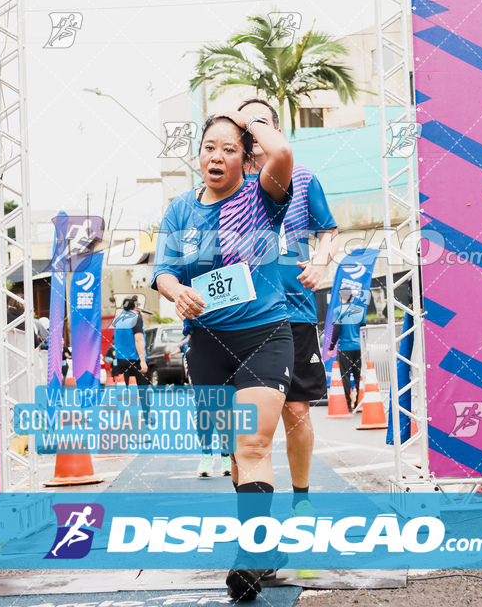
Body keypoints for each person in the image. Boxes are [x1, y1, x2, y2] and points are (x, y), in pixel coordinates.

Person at [152, 111, 294, 601]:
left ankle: (250, 556)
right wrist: (176, 294)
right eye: (210, 147)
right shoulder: (179, 210)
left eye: (230, 148)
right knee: (236, 452)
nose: (217, 156)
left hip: (265, 334)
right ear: (198, 155)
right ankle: (266, 546)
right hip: (207, 344)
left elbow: (283, 154)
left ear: (246, 155)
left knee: (253, 444)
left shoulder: (262, 195)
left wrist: (250, 121)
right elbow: (164, 271)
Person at [237, 98, 339, 519]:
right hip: (239, 318)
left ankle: (301, 498)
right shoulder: (228, 182)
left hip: (293, 311)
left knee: (296, 410)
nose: (253, 129)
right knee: (244, 424)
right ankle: (251, 510)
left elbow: (329, 232)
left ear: (275, 130)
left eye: (261, 121)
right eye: (246, 123)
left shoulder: (302, 177)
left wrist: (320, 261)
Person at [328, 288, 368, 412]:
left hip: (345, 348)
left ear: (341, 297)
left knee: (345, 376)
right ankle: (358, 402)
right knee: (358, 375)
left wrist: (331, 348)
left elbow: (336, 330)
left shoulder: (338, 311)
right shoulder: (360, 310)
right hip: (359, 347)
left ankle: (347, 403)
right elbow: (363, 328)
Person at [112, 297, 149, 387]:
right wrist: (143, 361)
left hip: (121, 360)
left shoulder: (117, 319)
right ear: (135, 306)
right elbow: (138, 339)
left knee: (126, 390)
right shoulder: (136, 318)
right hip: (135, 359)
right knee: (143, 390)